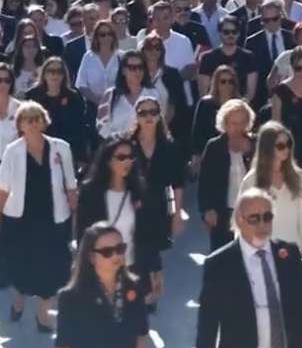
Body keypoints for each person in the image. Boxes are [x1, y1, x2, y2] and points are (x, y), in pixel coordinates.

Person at [194, 189, 302, 348]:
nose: (263, 225)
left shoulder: (288, 255)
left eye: (267, 217)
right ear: (239, 219)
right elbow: (207, 326)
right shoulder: (219, 264)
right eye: (255, 219)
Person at [0, 101, 79, 331]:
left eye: (37, 119)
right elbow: (3, 188)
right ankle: (19, 299)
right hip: (20, 218)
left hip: (53, 216)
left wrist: (74, 210)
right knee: (20, 263)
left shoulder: (60, 147)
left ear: (44, 121)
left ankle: (43, 314)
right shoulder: (12, 150)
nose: (34, 124)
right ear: (20, 125)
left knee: (55, 265)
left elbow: (71, 184)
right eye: (28, 119)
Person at [53, 222, 151, 348]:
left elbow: (140, 339)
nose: (116, 255)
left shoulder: (135, 289)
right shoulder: (71, 298)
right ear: (91, 257)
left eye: (120, 248)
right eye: (107, 252)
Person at [75, 138, 160, 302]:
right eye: (121, 157)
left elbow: (149, 234)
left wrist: (156, 270)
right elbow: (83, 235)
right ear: (108, 161)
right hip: (101, 272)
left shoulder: (139, 191)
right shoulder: (90, 192)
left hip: (132, 270)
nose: (127, 161)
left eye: (130, 157)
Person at [129, 95, 185, 305]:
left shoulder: (169, 147)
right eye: (143, 113)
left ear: (159, 116)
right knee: (138, 249)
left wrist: (178, 213)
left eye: (153, 112)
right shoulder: (128, 145)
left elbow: (178, 183)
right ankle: (148, 290)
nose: (148, 117)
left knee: (150, 246)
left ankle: (153, 281)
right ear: (136, 117)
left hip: (159, 205)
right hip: (132, 205)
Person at [243, 122, 302, 256]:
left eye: (289, 144)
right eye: (280, 146)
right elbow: (243, 219)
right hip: (262, 251)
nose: (286, 149)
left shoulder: (296, 176)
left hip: (292, 248)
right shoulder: (251, 180)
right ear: (267, 148)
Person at [196, 98, 255, 252]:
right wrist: (207, 210)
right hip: (222, 213)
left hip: (252, 212)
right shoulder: (214, 146)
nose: (237, 128)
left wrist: (248, 153)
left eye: (242, 122)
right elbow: (204, 183)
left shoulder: (256, 144)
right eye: (233, 123)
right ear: (225, 123)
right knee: (223, 258)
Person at [24, 57, 88, 165]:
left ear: (64, 75)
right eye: (51, 71)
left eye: (59, 72)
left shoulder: (74, 97)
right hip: (37, 153)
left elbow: (80, 128)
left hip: (67, 153)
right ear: (44, 74)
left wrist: (81, 158)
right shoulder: (32, 96)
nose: (55, 75)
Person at [269, 48, 302, 162]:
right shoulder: (280, 90)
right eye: (298, 68)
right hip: (289, 141)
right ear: (292, 66)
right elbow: (276, 122)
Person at [96, 50, 161, 139]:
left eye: (140, 67)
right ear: (123, 71)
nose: (137, 71)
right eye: (132, 68)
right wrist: (120, 139)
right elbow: (101, 127)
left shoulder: (154, 94)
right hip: (118, 148)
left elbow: (160, 124)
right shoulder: (111, 95)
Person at [190, 64, 241, 164]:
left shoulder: (240, 104)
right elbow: (197, 132)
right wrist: (196, 156)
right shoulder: (205, 104)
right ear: (216, 83)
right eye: (223, 82)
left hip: (235, 154)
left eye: (230, 82)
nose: (227, 85)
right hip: (210, 155)